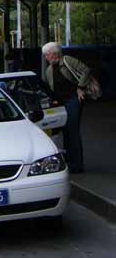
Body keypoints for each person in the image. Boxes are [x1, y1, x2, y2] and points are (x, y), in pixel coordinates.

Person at [42, 42, 91, 173]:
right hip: (61, 103)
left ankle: (77, 165)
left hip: (73, 100)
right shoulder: (49, 70)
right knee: (65, 131)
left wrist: (80, 87)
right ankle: (69, 161)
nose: (46, 58)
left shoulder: (68, 60)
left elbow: (86, 70)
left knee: (72, 130)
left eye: (47, 55)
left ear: (54, 53)